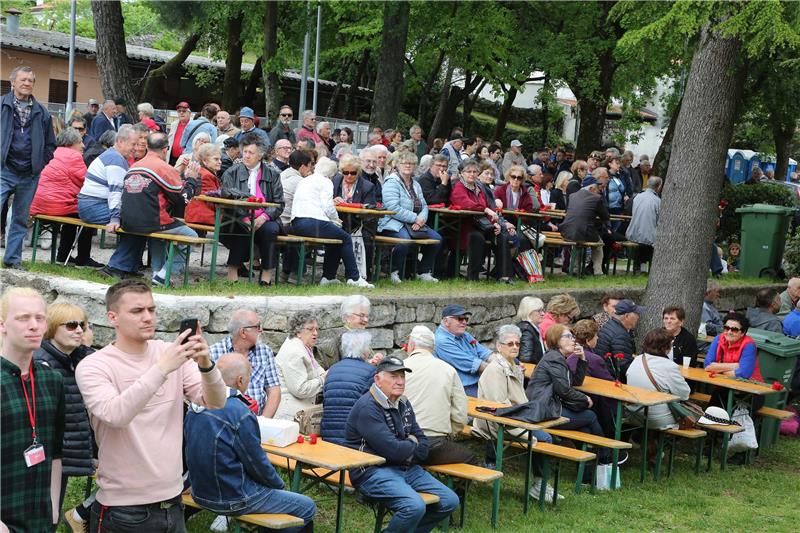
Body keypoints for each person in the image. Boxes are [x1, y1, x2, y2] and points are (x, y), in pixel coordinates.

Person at [75, 280, 226, 531]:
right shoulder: (94, 365)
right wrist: (163, 368)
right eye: (137, 311)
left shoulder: (168, 352)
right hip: (124, 509)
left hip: (173, 502)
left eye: (151, 310)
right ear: (113, 317)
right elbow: (116, 414)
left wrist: (206, 364)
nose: (147, 317)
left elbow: (216, 402)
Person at [184, 353, 316, 532]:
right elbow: (256, 462)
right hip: (233, 498)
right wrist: (278, 485)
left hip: (201, 493)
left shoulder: (194, 406)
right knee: (307, 506)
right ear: (240, 380)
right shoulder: (239, 411)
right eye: (248, 378)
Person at [344, 356, 459, 533]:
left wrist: (409, 445)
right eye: (393, 376)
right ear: (378, 379)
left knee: (450, 501)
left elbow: (423, 443)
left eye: (402, 377)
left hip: (406, 467)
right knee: (414, 506)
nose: (400, 381)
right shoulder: (368, 407)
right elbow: (394, 451)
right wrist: (411, 442)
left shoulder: (403, 402)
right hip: (372, 472)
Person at [1, 287, 65, 533]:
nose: (34, 325)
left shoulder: (52, 380)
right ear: (2, 324)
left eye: (40, 318)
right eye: (23, 318)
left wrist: (53, 508)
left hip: (39, 517)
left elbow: (56, 450)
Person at [472, 325, 561, 501]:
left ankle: (540, 483)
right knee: (545, 438)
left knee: (549, 434)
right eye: (510, 343)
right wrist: (526, 418)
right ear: (499, 346)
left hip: (514, 417)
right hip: (498, 423)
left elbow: (516, 400)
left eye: (517, 344)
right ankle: (539, 485)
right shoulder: (496, 370)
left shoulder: (511, 365)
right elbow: (498, 406)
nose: (515, 347)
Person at [33, 302, 95, 531]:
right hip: (46, 456)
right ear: (51, 328)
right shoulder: (43, 363)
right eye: (70, 325)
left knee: (52, 513)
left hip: (63, 451)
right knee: (45, 515)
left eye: (82, 325)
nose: (79, 330)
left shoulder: (76, 357)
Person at [526, 324, 618, 475]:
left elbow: (575, 382)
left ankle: (588, 473)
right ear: (556, 340)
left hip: (547, 406)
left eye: (573, 337)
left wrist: (582, 359)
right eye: (567, 336)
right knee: (590, 416)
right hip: (543, 410)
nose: (573, 340)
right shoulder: (554, 359)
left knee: (585, 429)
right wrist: (585, 398)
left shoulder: (558, 357)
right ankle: (606, 455)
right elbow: (564, 390)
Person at [117, 132, 200, 286]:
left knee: (159, 234)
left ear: (147, 147)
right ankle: (165, 274)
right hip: (151, 221)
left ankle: (157, 273)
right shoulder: (163, 167)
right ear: (165, 149)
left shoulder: (134, 166)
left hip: (127, 221)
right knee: (192, 236)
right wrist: (191, 180)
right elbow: (182, 200)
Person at [1, 66, 56, 268]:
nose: (26, 83)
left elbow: (51, 143)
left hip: (29, 174)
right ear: (12, 81)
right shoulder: (1, 106)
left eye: (30, 80)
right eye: (23, 80)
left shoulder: (41, 112)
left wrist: (40, 164)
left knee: (20, 218)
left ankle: (12, 259)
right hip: (3, 170)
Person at [291, 157, 374, 288]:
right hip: (313, 221)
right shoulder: (326, 182)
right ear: (331, 174)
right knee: (345, 238)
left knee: (336, 238)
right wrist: (336, 220)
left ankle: (328, 277)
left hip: (297, 222)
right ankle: (354, 277)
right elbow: (328, 207)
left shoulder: (305, 180)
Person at [29, 128, 103, 268]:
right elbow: (86, 181)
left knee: (72, 211)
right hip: (56, 206)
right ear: (71, 143)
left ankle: (63, 256)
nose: (83, 145)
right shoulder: (73, 157)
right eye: (80, 141)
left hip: (39, 205)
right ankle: (83, 259)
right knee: (86, 214)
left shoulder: (53, 153)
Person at [403, 326, 476, 465]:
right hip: (435, 442)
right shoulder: (448, 370)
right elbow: (460, 413)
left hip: (401, 441)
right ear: (433, 348)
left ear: (411, 345)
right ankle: (454, 488)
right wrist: (450, 433)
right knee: (470, 458)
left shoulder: (399, 368)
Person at [220, 133, 285, 286]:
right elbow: (227, 199)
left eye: (251, 153)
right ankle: (233, 271)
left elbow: (279, 203)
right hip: (238, 217)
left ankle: (266, 274)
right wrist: (245, 218)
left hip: (265, 217)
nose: (246, 156)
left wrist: (263, 218)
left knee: (270, 230)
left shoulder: (273, 174)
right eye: (245, 152)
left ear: (260, 155)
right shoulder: (231, 172)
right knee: (240, 227)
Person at [183, 143, 250, 282]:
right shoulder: (206, 175)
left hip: (204, 213)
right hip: (202, 214)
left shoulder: (206, 172)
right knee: (241, 230)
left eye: (220, 159)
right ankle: (234, 270)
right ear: (205, 161)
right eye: (215, 159)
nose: (220, 161)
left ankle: (238, 264)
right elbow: (211, 200)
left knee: (237, 227)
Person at [377, 151, 442, 283]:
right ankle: (393, 271)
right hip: (392, 222)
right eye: (405, 163)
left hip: (415, 223)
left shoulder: (416, 184)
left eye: (411, 163)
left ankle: (422, 271)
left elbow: (424, 205)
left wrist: (421, 219)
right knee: (404, 241)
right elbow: (392, 207)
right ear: (398, 165)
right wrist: (415, 218)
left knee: (437, 239)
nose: (408, 165)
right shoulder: (391, 182)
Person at [450, 159, 518, 282]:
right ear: (461, 173)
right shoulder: (458, 186)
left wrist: (495, 224)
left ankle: (504, 275)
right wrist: (485, 209)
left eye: (474, 171)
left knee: (503, 235)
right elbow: (466, 203)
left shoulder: (478, 188)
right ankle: (472, 276)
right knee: (477, 238)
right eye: (468, 171)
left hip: (483, 225)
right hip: (465, 226)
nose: (472, 174)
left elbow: (488, 207)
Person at [209, 309, 281, 418]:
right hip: (224, 421)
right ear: (243, 332)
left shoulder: (265, 352)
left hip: (257, 420)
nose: (261, 330)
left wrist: (263, 423)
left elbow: (274, 391)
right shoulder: (214, 353)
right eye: (257, 326)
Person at [321, 329, 381, 445]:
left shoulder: (332, 370)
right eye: (368, 347)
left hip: (328, 437)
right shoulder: (371, 372)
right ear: (364, 350)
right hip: (355, 439)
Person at [626, 328, 691, 429]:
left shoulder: (637, 359)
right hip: (658, 419)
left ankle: (645, 440)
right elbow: (684, 394)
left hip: (634, 414)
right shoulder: (669, 366)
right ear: (665, 347)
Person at [77, 124, 136, 233]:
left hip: (90, 206)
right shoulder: (115, 159)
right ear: (121, 141)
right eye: (133, 144)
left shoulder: (113, 155)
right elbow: (115, 192)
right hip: (94, 207)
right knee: (140, 219)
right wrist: (115, 218)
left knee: (139, 217)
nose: (135, 148)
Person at [274, 311, 326, 421]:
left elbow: (317, 369)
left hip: (298, 413)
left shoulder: (303, 347)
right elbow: (300, 389)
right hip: (289, 416)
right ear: (298, 332)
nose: (315, 333)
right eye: (310, 329)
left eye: (316, 329)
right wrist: (322, 380)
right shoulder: (294, 352)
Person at [568, 319, 616, 438]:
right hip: (592, 404)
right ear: (588, 340)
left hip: (573, 401)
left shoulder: (569, 355)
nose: (598, 338)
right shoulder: (594, 359)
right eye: (596, 336)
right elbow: (609, 383)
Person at [558, 170, 610, 275]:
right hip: (583, 231)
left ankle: (575, 270)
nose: (599, 191)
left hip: (566, 231)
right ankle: (598, 271)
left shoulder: (573, 196)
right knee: (599, 245)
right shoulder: (596, 198)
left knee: (578, 244)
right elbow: (605, 216)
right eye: (597, 189)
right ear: (591, 188)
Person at [434, 304, 492, 396]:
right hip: (461, 389)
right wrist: (502, 370)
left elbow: (485, 353)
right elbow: (474, 364)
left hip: (478, 382)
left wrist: (502, 363)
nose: (464, 322)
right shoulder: (442, 341)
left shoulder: (464, 335)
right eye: (460, 319)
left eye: (466, 319)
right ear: (446, 321)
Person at [596, 299, 643, 379]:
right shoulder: (620, 335)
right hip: (612, 381)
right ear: (627, 316)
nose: (638, 317)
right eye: (636, 314)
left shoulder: (610, 324)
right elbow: (623, 367)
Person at [625, 177, 662, 273]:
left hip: (632, 233)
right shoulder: (657, 201)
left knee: (644, 237)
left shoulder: (637, 197)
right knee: (653, 237)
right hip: (648, 237)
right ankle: (643, 268)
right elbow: (659, 221)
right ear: (658, 187)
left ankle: (639, 266)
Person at [515, 296, 547, 364]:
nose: (543, 314)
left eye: (542, 310)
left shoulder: (531, 327)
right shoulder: (526, 331)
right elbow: (525, 358)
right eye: (539, 311)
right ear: (529, 312)